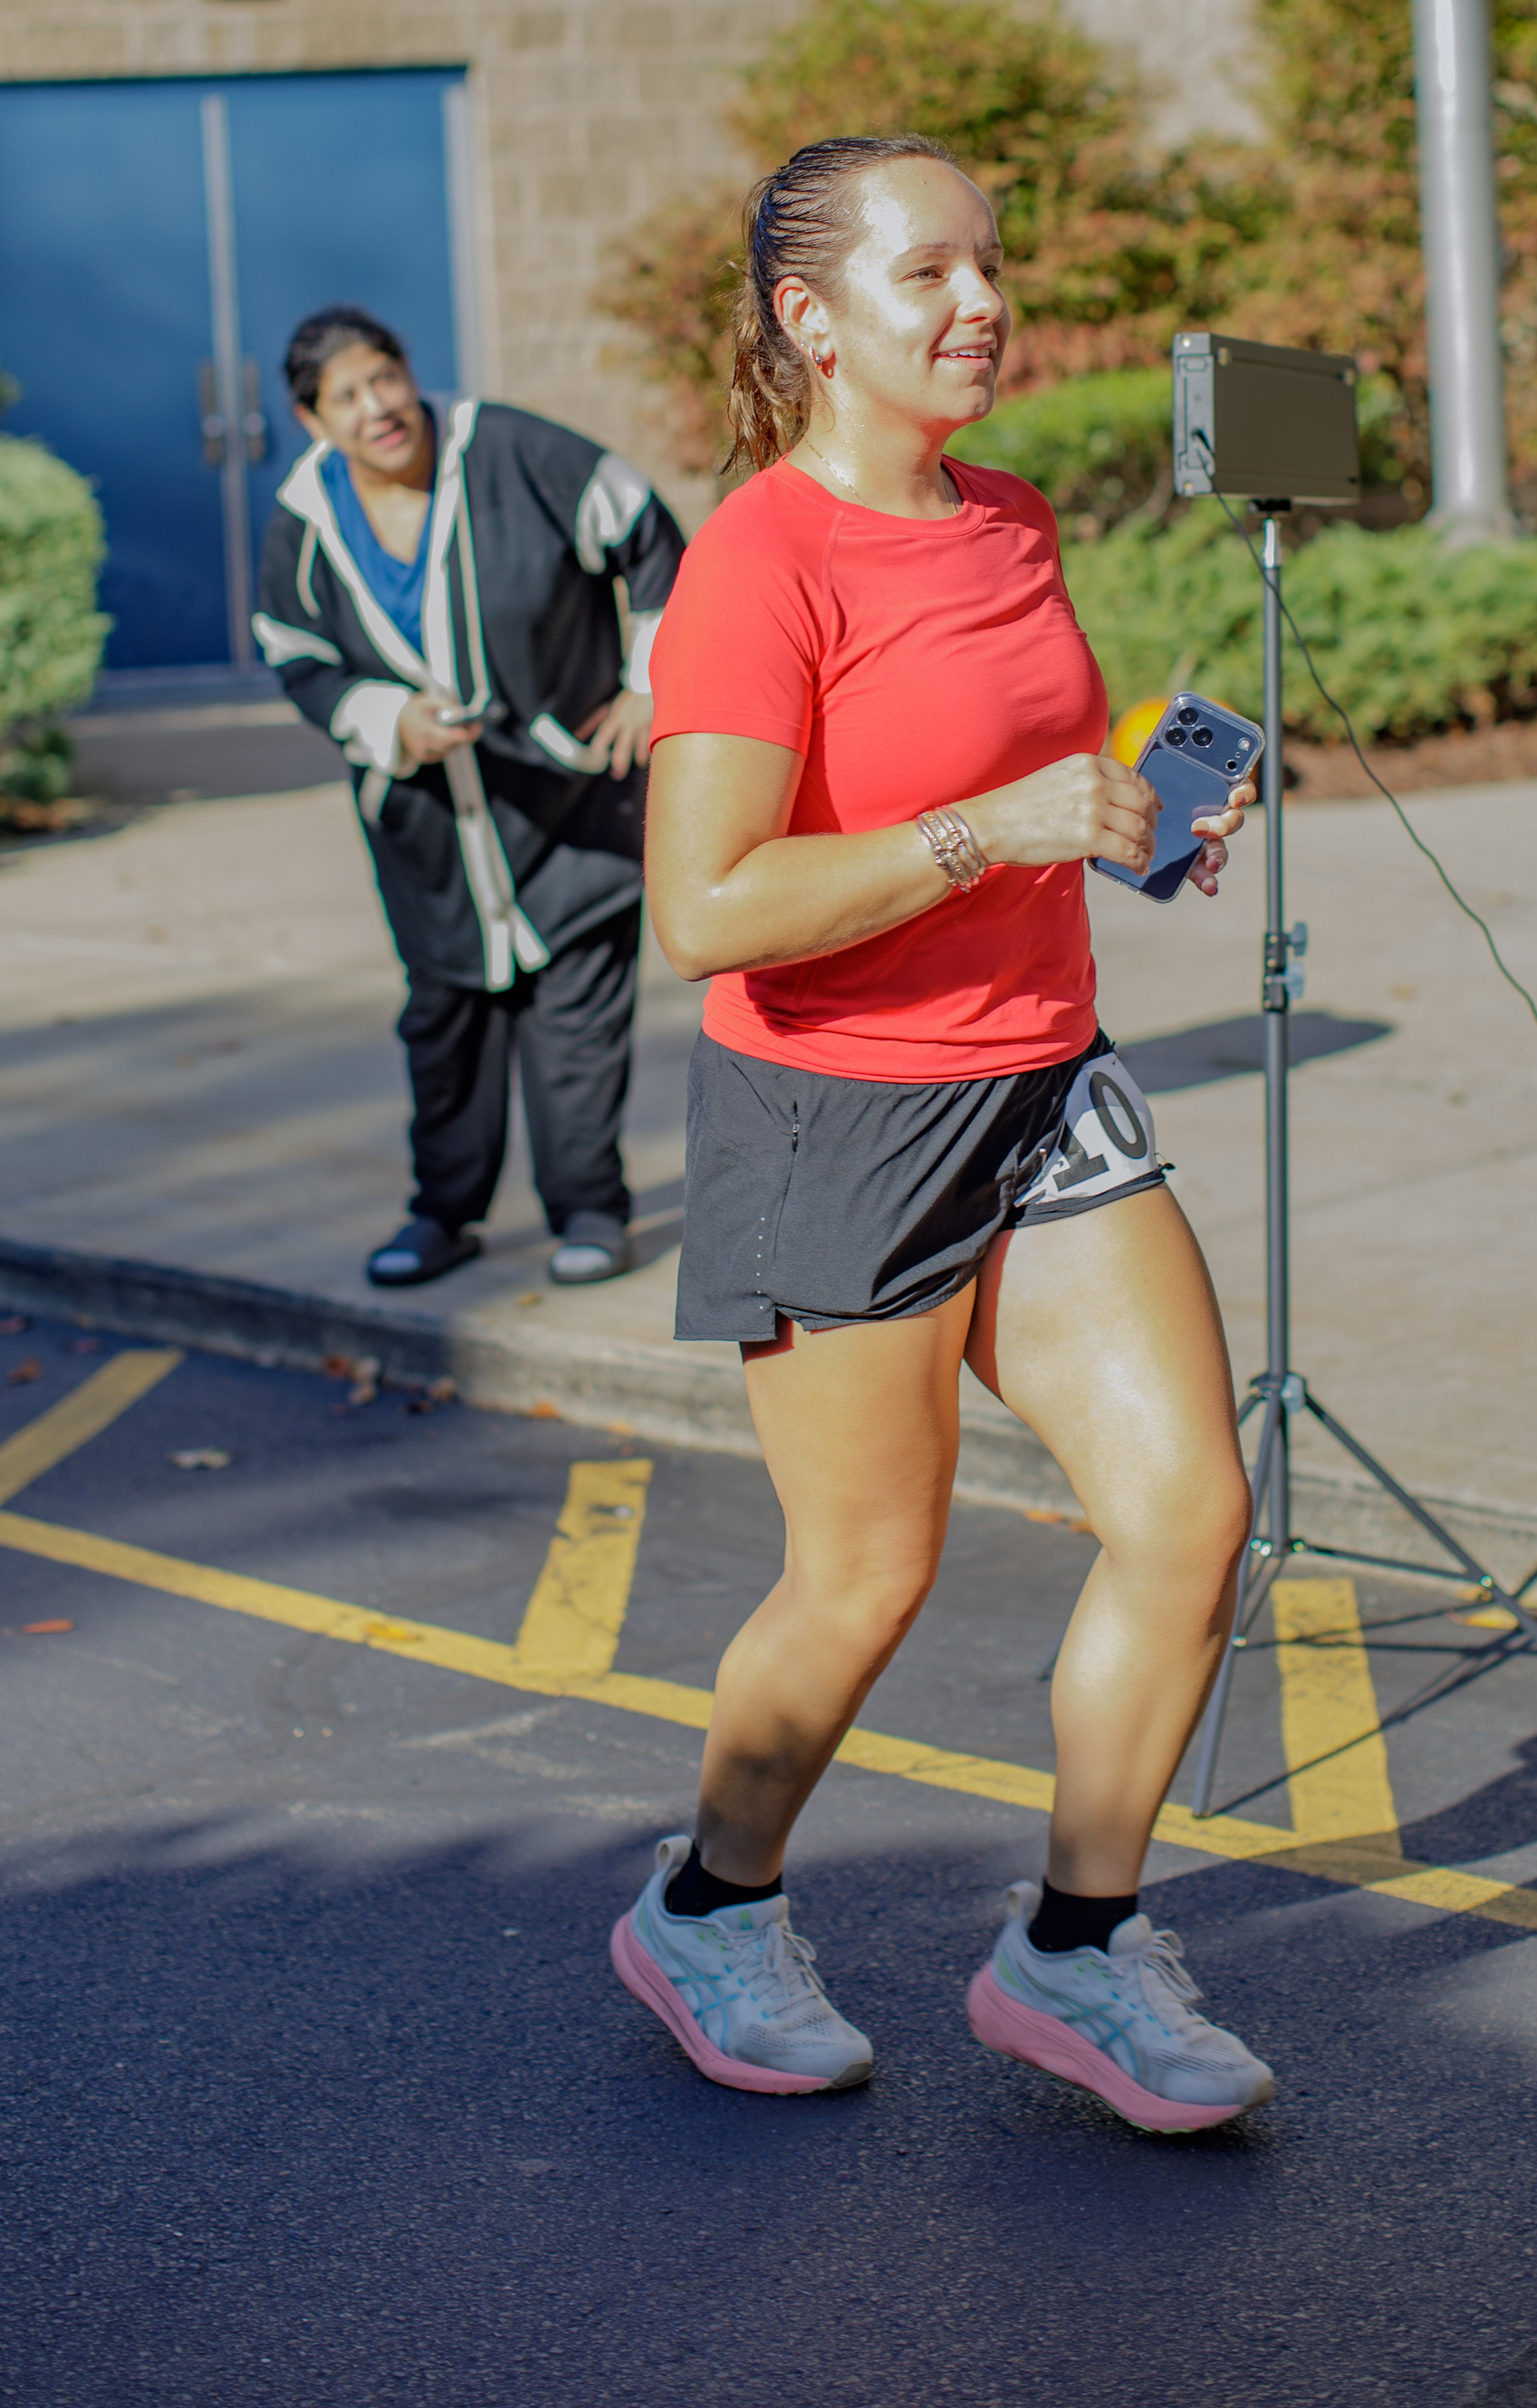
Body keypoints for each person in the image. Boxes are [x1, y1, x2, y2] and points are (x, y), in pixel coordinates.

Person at [607, 137, 1273, 2134]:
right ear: (811, 320)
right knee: (864, 1576)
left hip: (1040, 1079)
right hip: (837, 1117)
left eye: (991, 262)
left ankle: (1073, 1954)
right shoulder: (758, 563)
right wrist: (990, 830)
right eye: (927, 274)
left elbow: (1024, 777)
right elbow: (705, 911)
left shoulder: (1007, 517)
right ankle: (706, 1909)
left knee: (1190, 1516)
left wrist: (1130, 818)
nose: (979, 302)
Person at [254, 306, 687, 1290]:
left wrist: (649, 683)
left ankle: (588, 1209)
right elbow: (295, 652)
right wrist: (384, 718)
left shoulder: (512, 452)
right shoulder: (304, 518)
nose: (378, 408)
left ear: (411, 375)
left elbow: (649, 533)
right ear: (313, 421)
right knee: (445, 1021)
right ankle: (442, 1213)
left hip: (569, 803)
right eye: (348, 397)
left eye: (386, 379)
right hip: (428, 827)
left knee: (575, 1017)